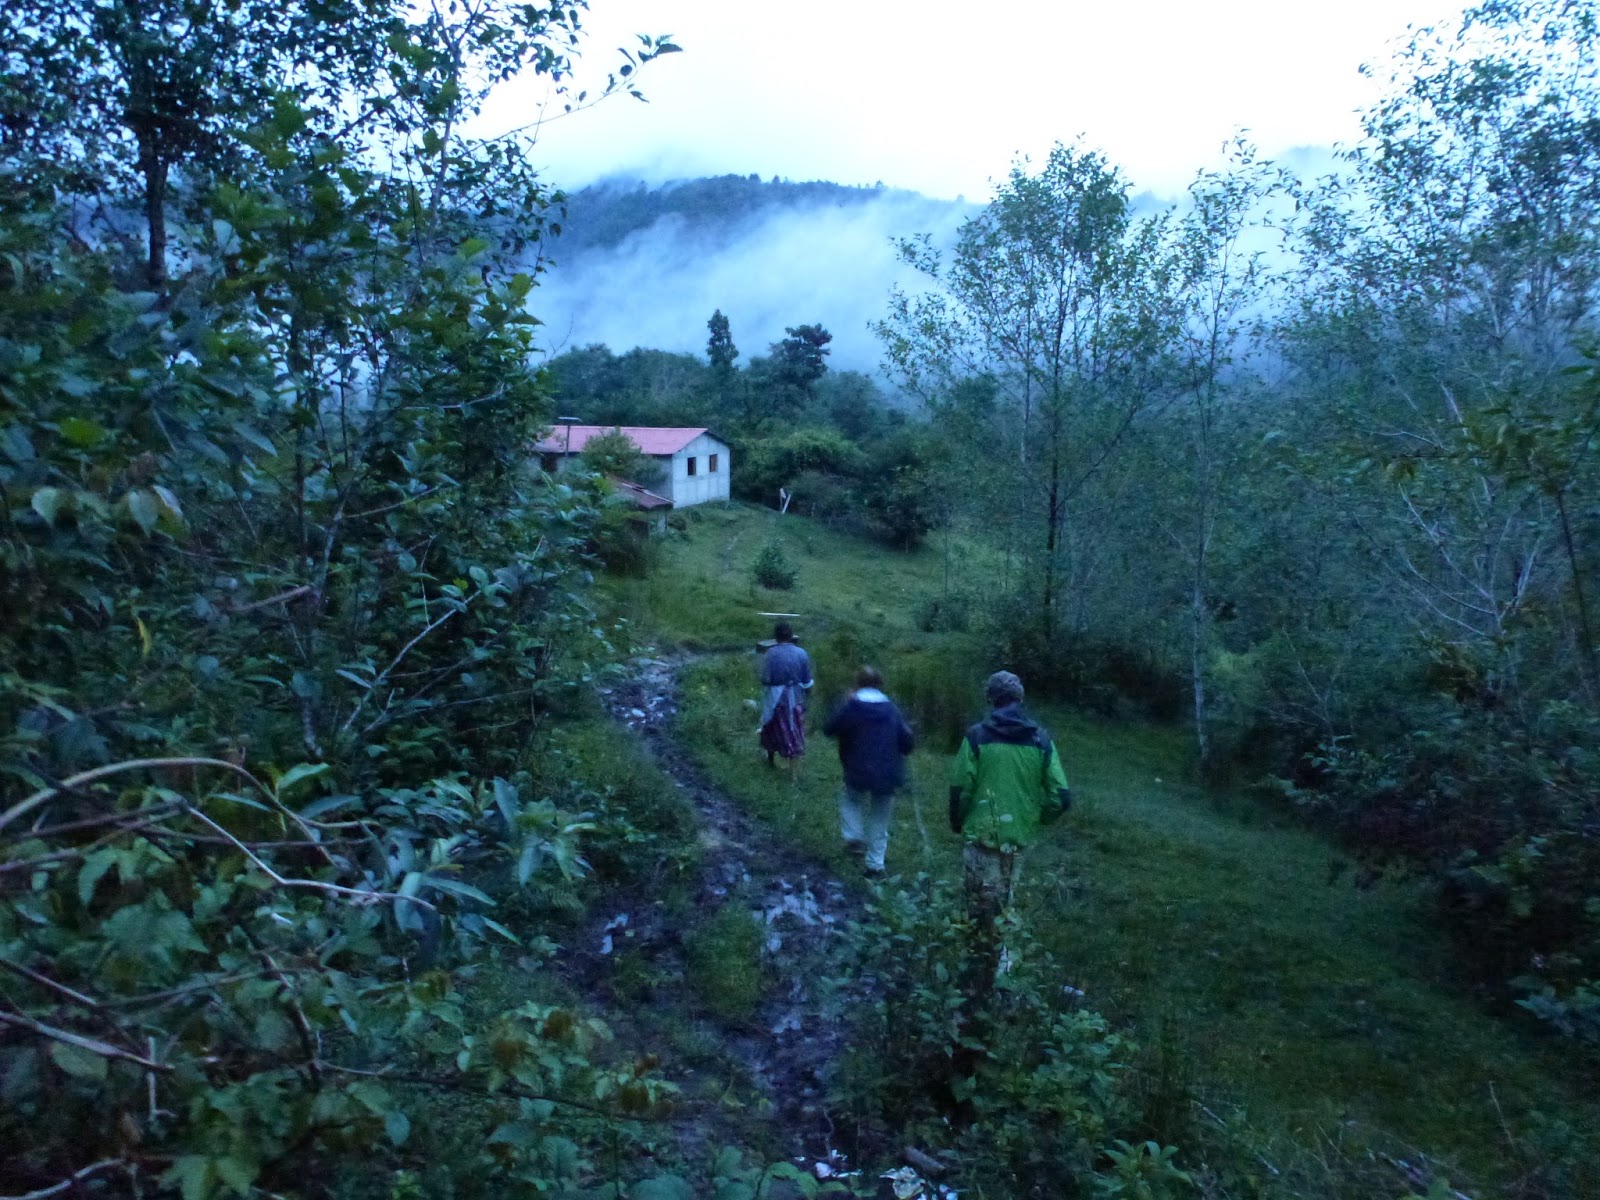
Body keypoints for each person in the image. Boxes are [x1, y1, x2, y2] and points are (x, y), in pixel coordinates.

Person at [948, 670, 1071, 943]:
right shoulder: (1041, 740)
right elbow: (1061, 797)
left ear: (991, 699)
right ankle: (1000, 964)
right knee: (1005, 900)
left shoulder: (976, 737)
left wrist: (958, 822)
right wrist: (1034, 817)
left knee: (977, 903)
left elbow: (960, 790)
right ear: (1020, 698)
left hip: (980, 836)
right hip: (1018, 839)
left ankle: (975, 963)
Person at [823, 666, 915, 876]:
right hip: (887, 772)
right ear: (880, 684)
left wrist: (844, 704)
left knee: (851, 800)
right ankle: (875, 864)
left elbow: (830, 728)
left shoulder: (853, 706)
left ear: (857, 683)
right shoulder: (892, 708)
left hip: (858, 769)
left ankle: (854, 836)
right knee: (880, 818)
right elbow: (907, 743)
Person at [758, 622, 813, 767]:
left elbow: (765, 678)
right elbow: (807, 680)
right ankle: (793, 762)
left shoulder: (770, 653)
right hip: (795, 696)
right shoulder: (801, 653)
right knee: (793, 727)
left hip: (775, 696)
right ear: (791, 636)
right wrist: (808, 697)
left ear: (776, 638)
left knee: (771, 725)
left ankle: (770, 757)